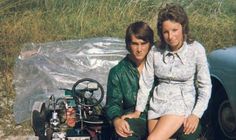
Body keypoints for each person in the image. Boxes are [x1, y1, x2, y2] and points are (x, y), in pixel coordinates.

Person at [123, 4, 212, 140]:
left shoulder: (196, 50)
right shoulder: (155, 51)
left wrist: (196, 114)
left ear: (183, 27)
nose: (170, 36)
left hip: (180, 104)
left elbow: (205, 86)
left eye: (175, 30)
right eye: (166, 32)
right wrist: (138, 111)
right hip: (157, 104)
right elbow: (146, 82)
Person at [104, 21, 154, 140]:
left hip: (161, 115)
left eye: (143, 43)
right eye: (135, 44)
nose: (139, 49)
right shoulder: (117, 72)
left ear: (150, 44)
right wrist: (116, 120)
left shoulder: (159, 66)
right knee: (125, 133)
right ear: (128, 45)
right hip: (134, 117)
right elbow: (113, 103)